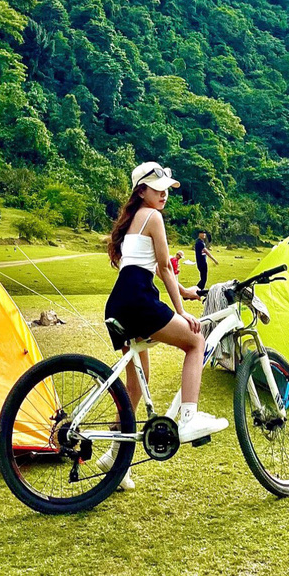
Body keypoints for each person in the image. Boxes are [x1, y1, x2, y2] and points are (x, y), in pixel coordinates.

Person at [101, 161, 228, 491]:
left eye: (165, 189)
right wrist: (182, 310)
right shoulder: (152, 217)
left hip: (121, 302)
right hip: (139, 301)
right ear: (141, 190)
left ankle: (113, 457)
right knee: (195, 343)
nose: (163, 195)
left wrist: (184, 291)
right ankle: (189, 417)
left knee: (133, 386)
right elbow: (165, 269)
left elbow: (153, 269)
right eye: (156, 189)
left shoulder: (132, 222)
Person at [194, 229, 218, 295]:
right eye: (202, 233)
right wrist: (214, 260)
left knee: (203, 278)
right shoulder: (200, 243)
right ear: (199, 234)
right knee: (203, 278)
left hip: (202, 262)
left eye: (205, 233)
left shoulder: (201, 242)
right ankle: (198, 290)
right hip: (201, 263)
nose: (204, 235)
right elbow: (206, 252)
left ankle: (199, 290)